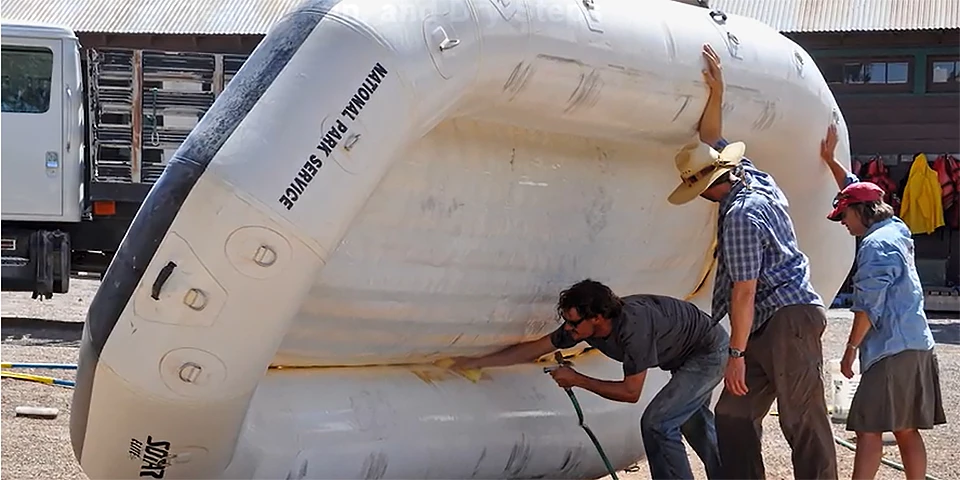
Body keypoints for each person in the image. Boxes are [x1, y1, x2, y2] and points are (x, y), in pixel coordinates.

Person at [665, 43, 838, 479]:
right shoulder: (753, 176)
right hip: (771, 318)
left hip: (781, 317)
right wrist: (717, 90)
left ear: (711, 187)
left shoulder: (741, 217)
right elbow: (711, 139)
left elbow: (744, 291)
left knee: (801, 417)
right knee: (733, 415)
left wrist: (736, 353)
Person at [450, 279, 729, 480]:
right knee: (693, 422)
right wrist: (477, 362)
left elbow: (631, 393)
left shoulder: (634, 329)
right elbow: (536, 348)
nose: (568, 329)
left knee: (657, 422)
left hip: (706, 353)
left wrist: (578, 379)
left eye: (574, 323)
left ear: (597, 318)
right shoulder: (582, 329)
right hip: (684, 354)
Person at [821, 125, 947, 480]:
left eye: (844, 215)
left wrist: (848, 352)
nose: (843, 223)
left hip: (890, 350)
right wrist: (832, 162)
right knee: (906, 429)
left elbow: (868, 308)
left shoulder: (875, 246)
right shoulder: (896, 227)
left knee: (868, 428)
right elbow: (858, 189)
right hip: (916, 343)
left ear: (860, 212)